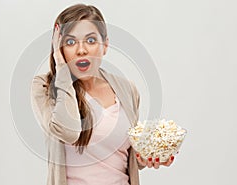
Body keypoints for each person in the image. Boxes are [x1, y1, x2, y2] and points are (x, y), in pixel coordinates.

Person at [31, 4, 175, 185]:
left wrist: (146, 158)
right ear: (58, 47)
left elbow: (124, 157)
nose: (81, 50)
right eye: (70, 42)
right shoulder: (44, 88)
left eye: (90, 41)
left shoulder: (127, 89)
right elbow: (68, 132)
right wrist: (61, 68)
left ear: (105, 45)